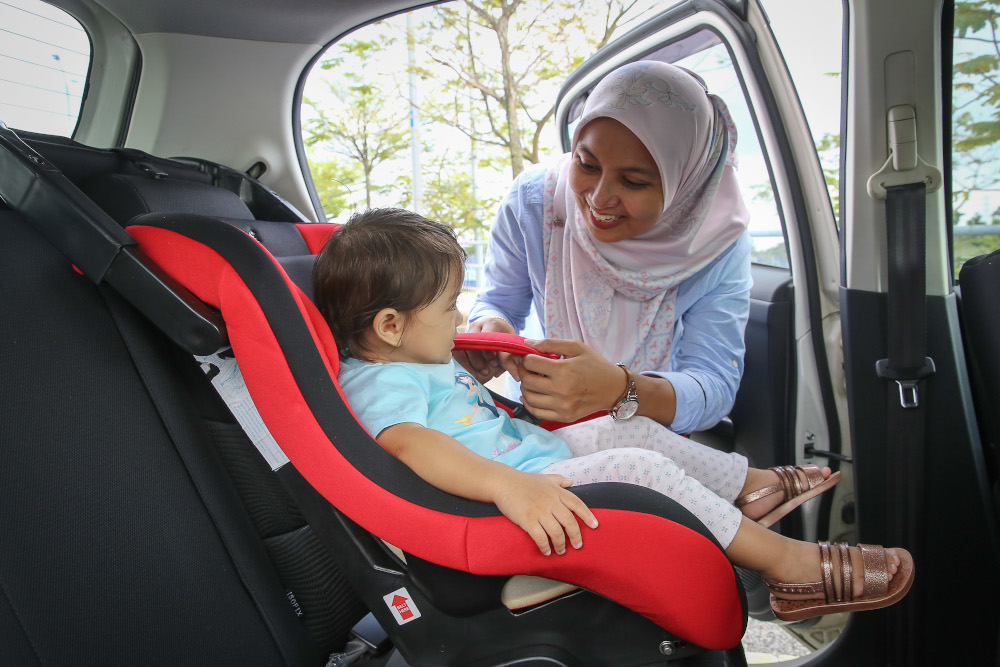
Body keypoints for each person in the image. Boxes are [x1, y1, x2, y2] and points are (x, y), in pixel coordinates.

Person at [312, 208, 914, 622]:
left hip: (528, 462)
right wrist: (508, 485)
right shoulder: (376, 380)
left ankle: (747, 487)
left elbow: (449, 411)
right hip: (511, 496)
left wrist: (479, 366)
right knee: (636, 465)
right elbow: (413, 445)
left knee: (619, 424)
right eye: (448, 308)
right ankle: (791, 570)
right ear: (390, 326)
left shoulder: (407, 359)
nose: (460, 314)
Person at [458, 60, 752, 436]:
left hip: (650, 439)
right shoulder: (536, 201)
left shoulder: (715, 242)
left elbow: (714, 385)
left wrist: (618, 389)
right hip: (534, 424)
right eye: (587, 164)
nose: (599, 199)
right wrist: (492, 329)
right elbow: (499, 302)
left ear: (684, 184)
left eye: (633, 181)